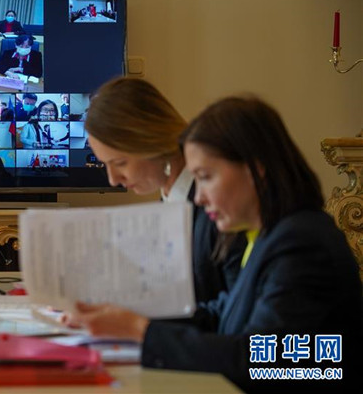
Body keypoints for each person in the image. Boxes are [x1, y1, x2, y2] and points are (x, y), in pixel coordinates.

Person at [73, 95, 363, 392]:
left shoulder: (302, 244)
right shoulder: (269, 235)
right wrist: (129, 318)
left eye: (206, 177)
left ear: (256, 168)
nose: (199, 197)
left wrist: (141, 330)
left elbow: (258, 360)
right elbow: (221, 315)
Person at [83, 78, 243, 302]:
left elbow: (234, 311)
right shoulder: (169, 201)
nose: (113, 179)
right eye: (105, 165)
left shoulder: (219, 207)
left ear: (151, 143)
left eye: (120, 163)